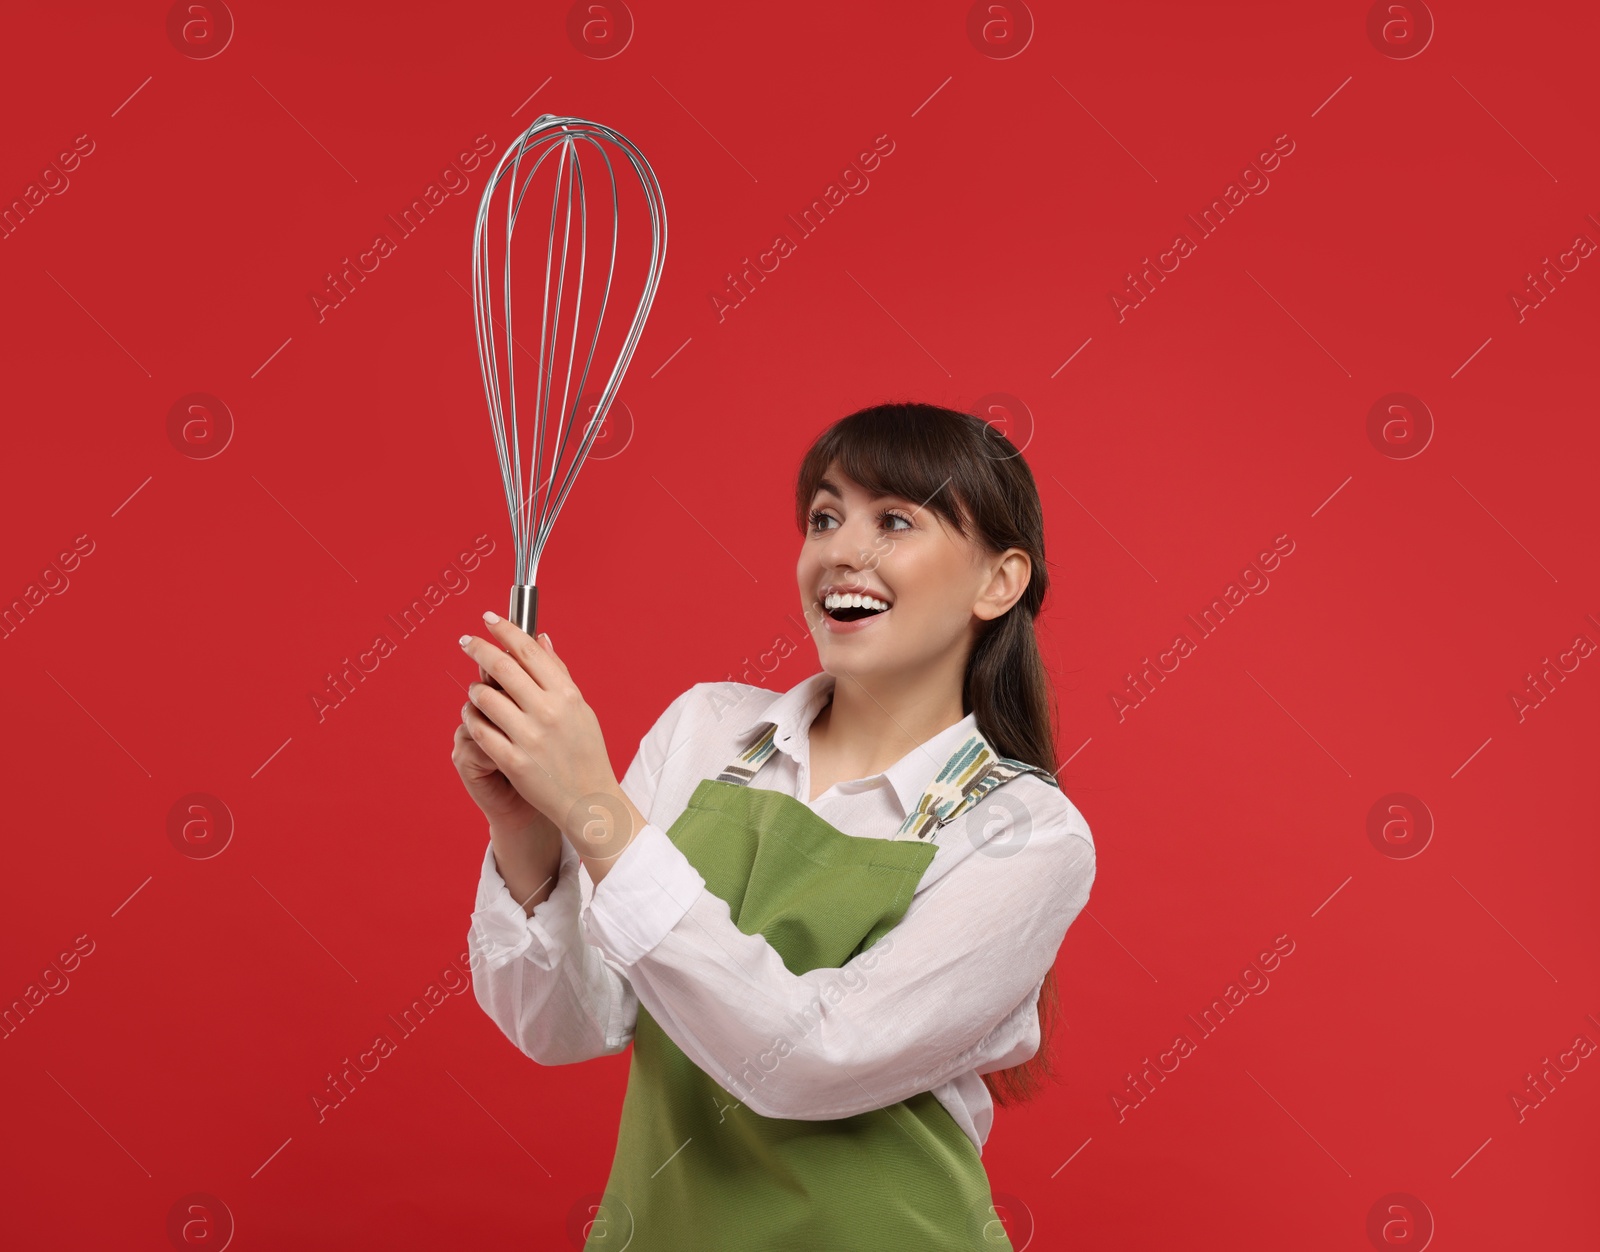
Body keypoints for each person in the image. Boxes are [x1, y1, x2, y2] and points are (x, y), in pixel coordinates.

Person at [453, 401, 1097, 1250]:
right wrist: (528, 832)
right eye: (824, 518)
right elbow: (568, 1026)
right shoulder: (705, 728)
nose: (839, 552)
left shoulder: (1024, 830)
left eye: (894, 520)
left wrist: (594, 808)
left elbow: (808, 1056)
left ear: (999, 582)